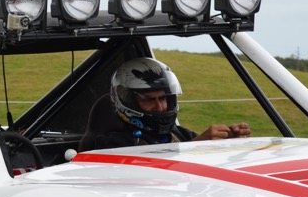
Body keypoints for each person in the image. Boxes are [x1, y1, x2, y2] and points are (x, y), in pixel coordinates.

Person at [79, 57, 251, 151]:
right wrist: (197, 145)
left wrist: (228, 142)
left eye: (163, 98)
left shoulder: (179, 134)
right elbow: (147, 170)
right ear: (127, 100)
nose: (160, 108)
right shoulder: (110, 144)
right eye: (148, 99)